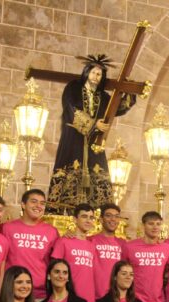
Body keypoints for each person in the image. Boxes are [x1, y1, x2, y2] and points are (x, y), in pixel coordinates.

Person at [48, 54, 136, 213]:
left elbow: (118, 107)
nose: (96, 77)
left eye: (100, 74)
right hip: (73, 137)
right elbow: (70, 107)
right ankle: (63, 210)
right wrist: (94, 124)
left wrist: (129, 91)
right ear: (87, 72)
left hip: (94, 142)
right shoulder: (73, 88)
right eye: (94, 72)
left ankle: (98, 212)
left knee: (97, 172)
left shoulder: (102, 96)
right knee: (70, 170)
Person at [1, 189, 59, 300]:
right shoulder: (7, 228)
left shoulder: (51, 231)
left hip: (40, 293)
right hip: (12, 291)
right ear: (23, 204)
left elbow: (55, 263)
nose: (38, 206)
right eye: (34, 201)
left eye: (42, 203)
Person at [125, 211, 169, 302]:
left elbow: (168, 273)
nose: (155, 227)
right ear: (143, 225)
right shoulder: (130, 247)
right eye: (151, 224)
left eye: (158, 224)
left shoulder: (166, 248)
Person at [51, 203, 97, 302]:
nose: (88, 220)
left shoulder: (92, 245)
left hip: (88, 300)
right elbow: (54, 270)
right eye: (84, 216)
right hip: (68, 298)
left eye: (91, 218)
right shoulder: (63, 241)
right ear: (75, 219)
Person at [91, 203, 127, 299]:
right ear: (101, 219)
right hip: (94, 296)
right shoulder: (90, 240)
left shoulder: (124, 244)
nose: (113, 219)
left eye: (116, 216)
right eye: (108, 216)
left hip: (116, 297)